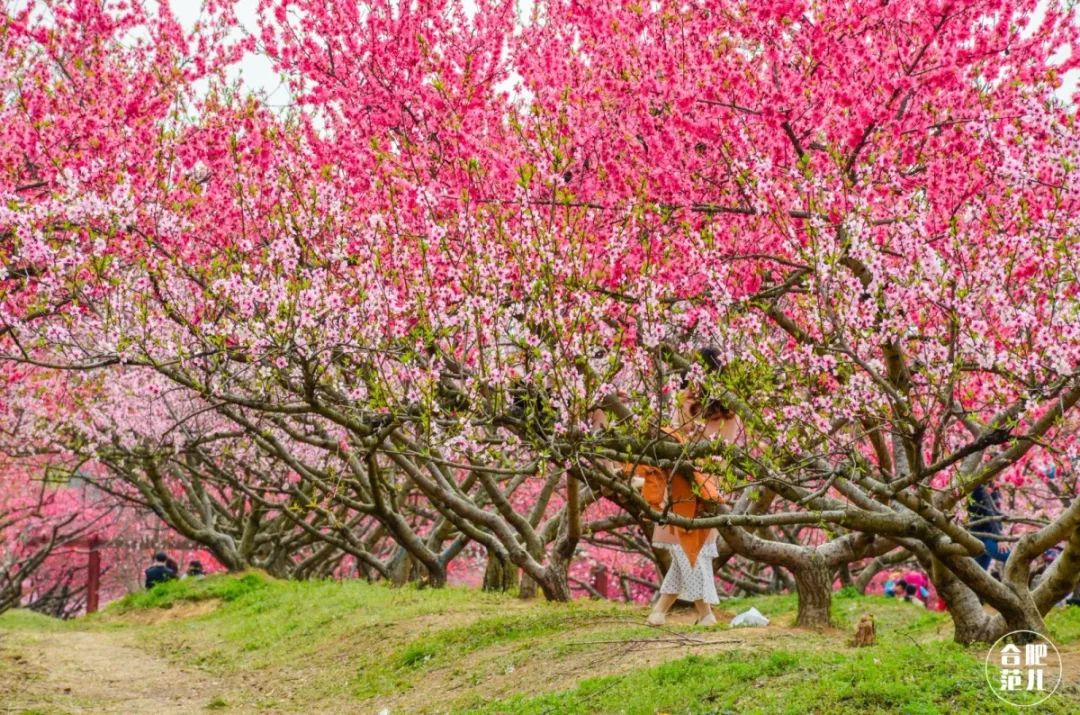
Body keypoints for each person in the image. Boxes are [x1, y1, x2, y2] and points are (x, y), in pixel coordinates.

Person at [627, 348, 743, 627]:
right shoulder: (690, 403)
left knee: (690, 549)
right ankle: (674, 612)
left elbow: (720, 451)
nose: (688, 380)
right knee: (687, 549)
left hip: (702, 488)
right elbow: (675, 439)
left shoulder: (728, 415)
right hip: (683, 485)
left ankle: (701, 614)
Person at [969, 483, 1009, 569]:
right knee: (1009, 557)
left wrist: (1001, 536)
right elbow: (989, 513)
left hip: (990, 534)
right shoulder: (980, 488)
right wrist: (999, 539)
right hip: (982, 535)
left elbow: (997, 514)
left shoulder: (994, 487)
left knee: (981, 570)